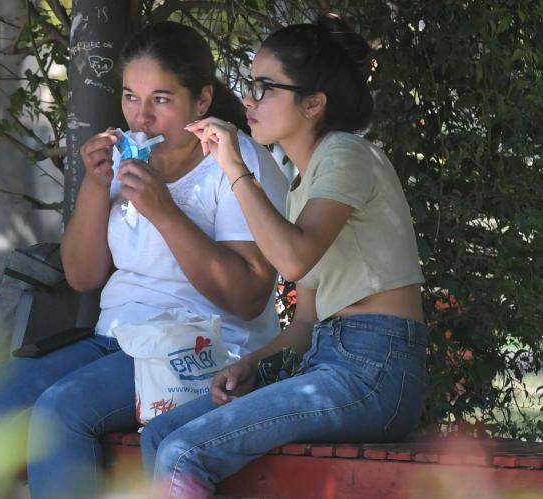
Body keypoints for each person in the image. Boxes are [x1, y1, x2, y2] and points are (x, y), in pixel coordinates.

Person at [0, 21, 288, 499]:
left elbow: (248, 297)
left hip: (201, 348)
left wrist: (165, 213)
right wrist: (96, 188)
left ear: (201, 102)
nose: (141, 118)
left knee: (59, 414)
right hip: (115, 340)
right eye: (130, 97)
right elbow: (83, 276)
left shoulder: (235, 162)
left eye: (161, 99)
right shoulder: (124, 158)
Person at [143, 14, 428, 498]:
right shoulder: (303, 186)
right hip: (330, 361)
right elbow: (304, 324)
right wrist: (252, 362)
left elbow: (293, 260)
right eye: (250, 86)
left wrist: (233, 166)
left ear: (314, 103)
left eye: (265, 87)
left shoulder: (346, 155)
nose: (249, 100)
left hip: (376, 372)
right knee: (159, 435)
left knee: (183, 453)